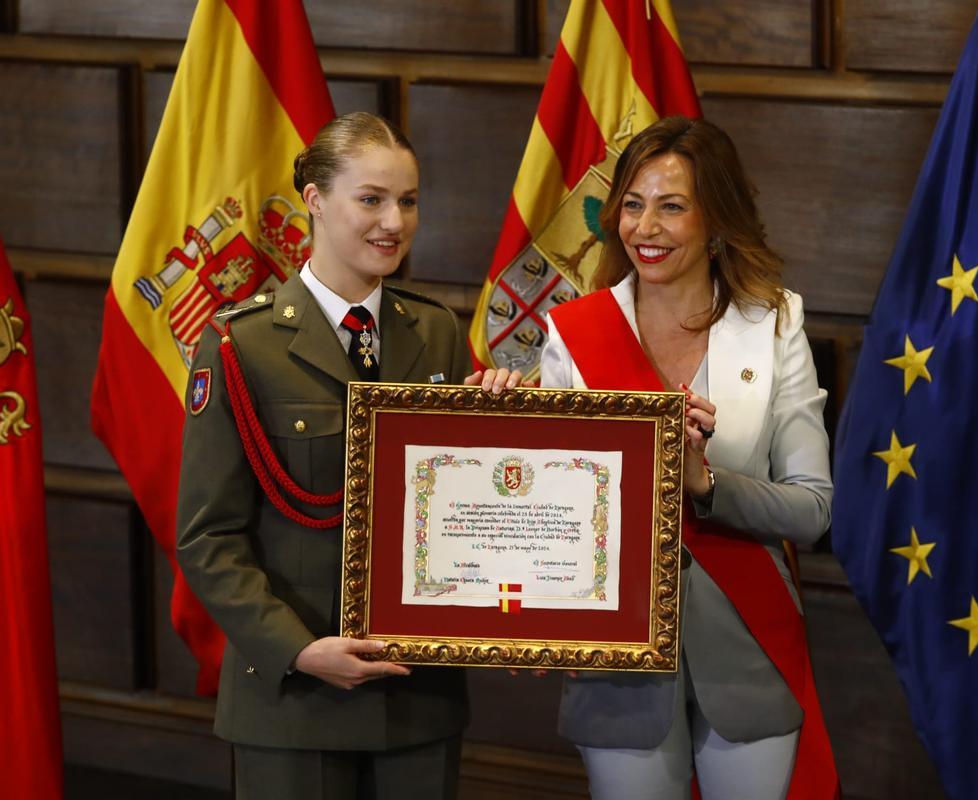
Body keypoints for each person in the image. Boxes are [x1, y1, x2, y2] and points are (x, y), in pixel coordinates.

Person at [479, 115, 837, 799]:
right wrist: (493, 419)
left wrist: (708, 485)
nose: (646, 228)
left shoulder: (775, 323)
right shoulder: (573, 332)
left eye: (672, 206)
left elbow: (812, 510)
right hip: (617, 662)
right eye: (633, 205)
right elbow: (549, 512)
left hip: (749, 647)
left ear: (719, 219)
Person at [176, 112, 515, 800]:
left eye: (409, 200)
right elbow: (208, 537)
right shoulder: (243, 346)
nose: (395, 220)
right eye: (372, 199)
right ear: (315, 201)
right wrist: (297, 650)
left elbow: (454, 510)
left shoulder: (437, 330)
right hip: (295, 700)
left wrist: (503, 422)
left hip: (418, 696)